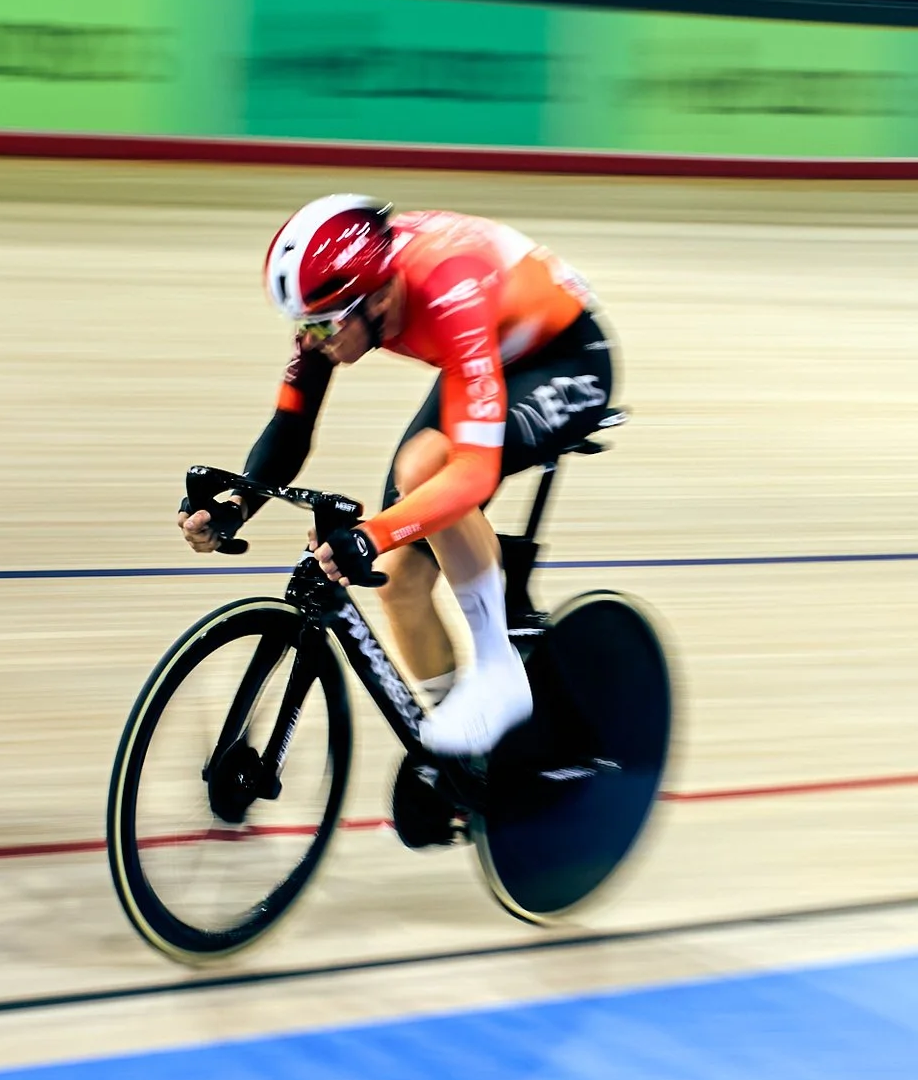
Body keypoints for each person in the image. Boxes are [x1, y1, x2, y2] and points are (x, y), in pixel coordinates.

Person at [179, 194, 617, 755]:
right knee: (400, 581)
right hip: (482, 353)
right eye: (303, 327)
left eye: (324, 326)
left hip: (563, 356)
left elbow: (472, 475)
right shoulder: (347, 299)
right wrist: (235, 506)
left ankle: (499, 672)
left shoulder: (448, 287)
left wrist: (371, 534)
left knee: (424, 471)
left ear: (380, 297)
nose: (314, 341)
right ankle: (471, 759)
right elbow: (291, 424)